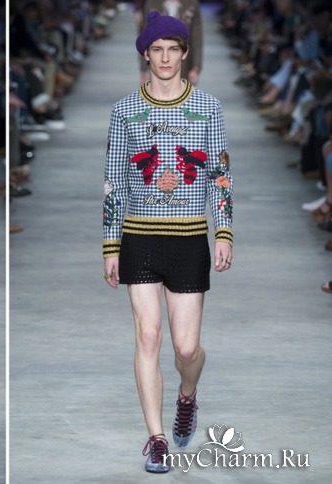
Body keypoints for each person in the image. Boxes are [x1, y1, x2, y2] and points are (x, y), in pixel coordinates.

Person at [102, 11, 233, 473]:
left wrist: (223, 231)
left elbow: (220, 175)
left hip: (188, 237)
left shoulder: (209, 108)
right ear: (146, 55)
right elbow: (114, 181)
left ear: (184, 53)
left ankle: (187, 395)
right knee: (148, 336)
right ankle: (156, 438)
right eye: (156, 50)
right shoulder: (124, 111)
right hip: (139, 235)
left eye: (172, 49)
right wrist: (110, 244)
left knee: (186, 349)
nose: (164, 58)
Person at [136, 0, 202, 85]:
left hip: (184, 61)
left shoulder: (191, 3)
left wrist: (196, 67)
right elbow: (146, 38)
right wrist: (143, 69)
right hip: (157, 63)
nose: (165, 58)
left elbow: (196, 38)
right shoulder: (152, 3)